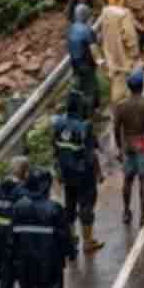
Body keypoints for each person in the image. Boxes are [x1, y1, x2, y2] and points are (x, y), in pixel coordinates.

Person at [52, 91, 104, 253]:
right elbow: (90, 154)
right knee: (86, 205)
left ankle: (72, 238)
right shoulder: (85, 126)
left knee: (70, 204)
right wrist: (98, 173)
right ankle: (88, 242)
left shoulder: (58, 123)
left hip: (67, 173)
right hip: (83, 174)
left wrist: (59, 170)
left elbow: (55, 148)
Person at [11, 169, 74, 288]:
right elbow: (64, 236)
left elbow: (11, 239)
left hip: (26, 265)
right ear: (47, 187)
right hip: (50, 264)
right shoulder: (55, 208)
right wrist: (70, 253)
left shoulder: (17, 207)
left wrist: (13, 262)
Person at [114, 70, 144, 225]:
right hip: (143, 142)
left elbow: (116, 128)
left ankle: (126, 212)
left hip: (128, 143)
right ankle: (143, 215)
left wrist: (120, 149)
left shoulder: (121, 106)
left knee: (127, 180)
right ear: (142, 85)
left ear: (129, 87)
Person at [0, 156, 29, 288]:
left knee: (5, 277)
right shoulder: (24, 194)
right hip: (18, 244)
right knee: (25, 278)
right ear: (25, 173)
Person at [93, 0, 140, 108]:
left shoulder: (104, 13)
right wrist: (134, 53)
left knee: (115, 88)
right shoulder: (124, 14)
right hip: (124, 59)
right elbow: (130, 37)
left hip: (111, 60)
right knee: (127, 90)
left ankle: (117, 116)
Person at [66, 4, 101, 120]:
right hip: (86, 66)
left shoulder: (71, 28)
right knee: (90, 90)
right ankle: (90, 117)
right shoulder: (87, 30)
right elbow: (93, 49)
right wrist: (100, 61)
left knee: (79, 90)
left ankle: (79, 115)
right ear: (85, 16)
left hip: (75, 66)